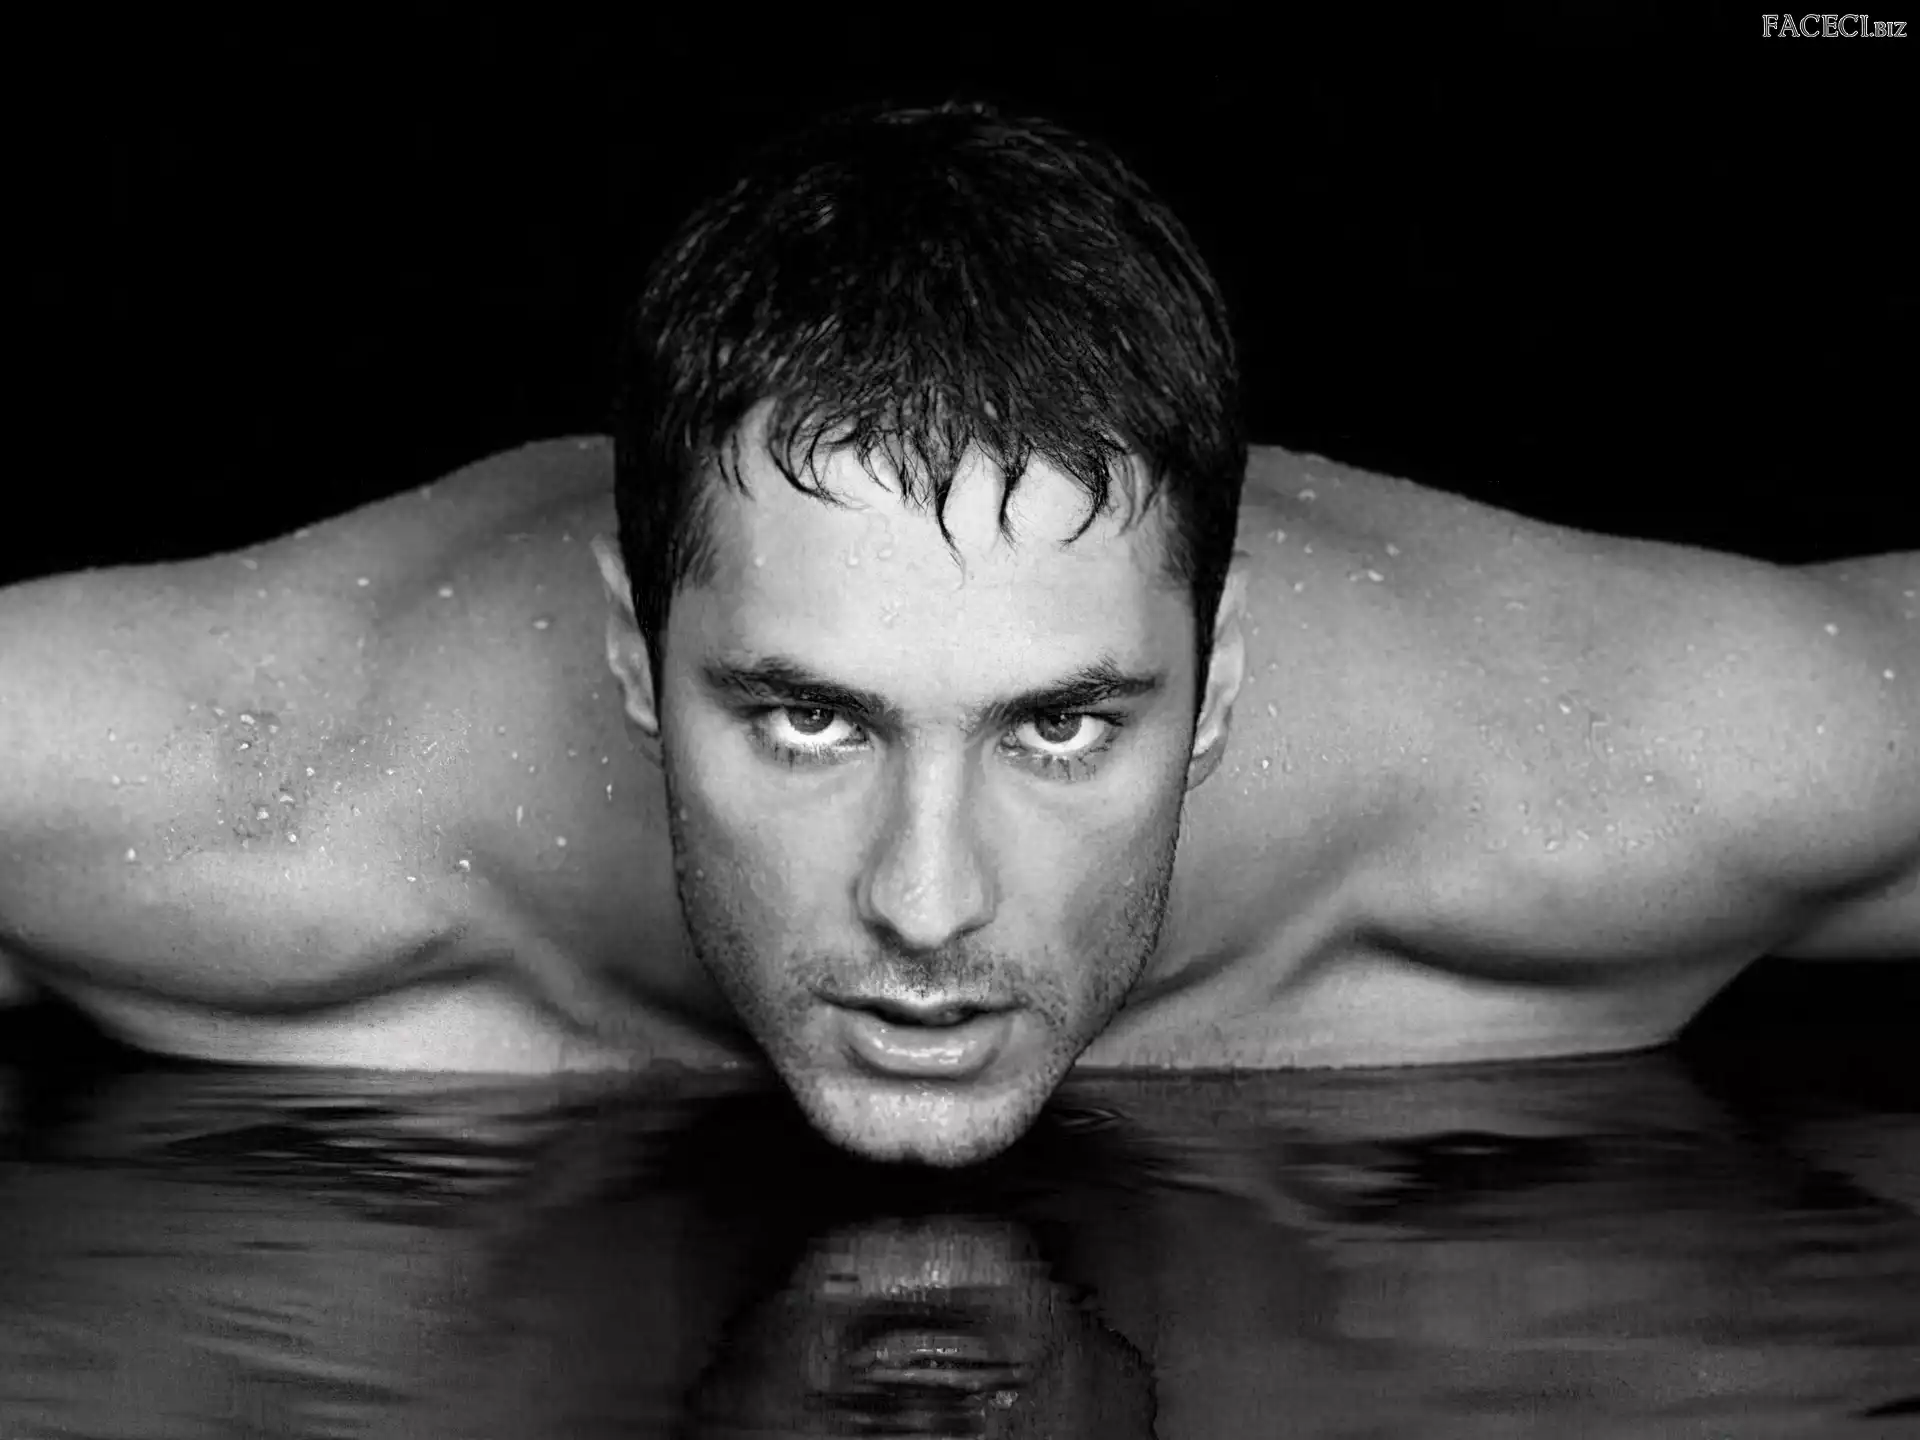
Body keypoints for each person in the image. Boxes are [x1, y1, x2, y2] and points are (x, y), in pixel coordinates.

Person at [0, 101, 1913, 1167]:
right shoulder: (242, 797)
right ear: (631, 654)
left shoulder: (1604, 775)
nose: (928, 908)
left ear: (1221, 679)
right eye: (811, 719)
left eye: (1062, 726)